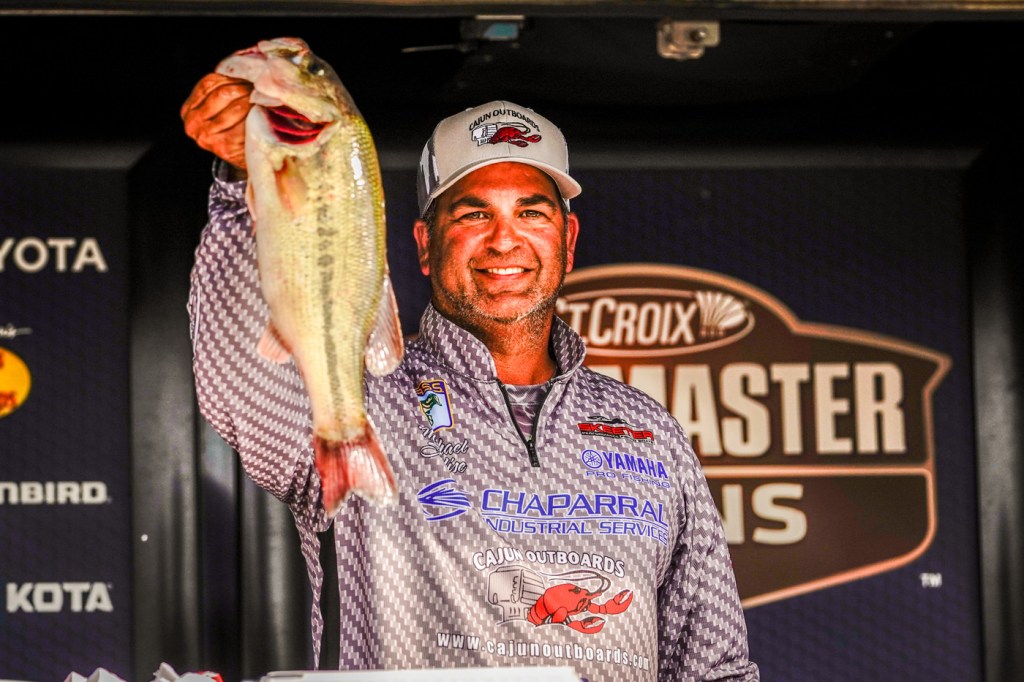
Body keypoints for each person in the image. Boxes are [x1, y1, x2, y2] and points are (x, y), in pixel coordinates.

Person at [182, 71, 758, 681]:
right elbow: (241, 381)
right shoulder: (358, 397)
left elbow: (714, 667)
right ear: (425, 244)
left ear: (568, 241)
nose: (505, 240)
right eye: (474, 214)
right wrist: (242, 183)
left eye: (531, 212)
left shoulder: (648, 430)